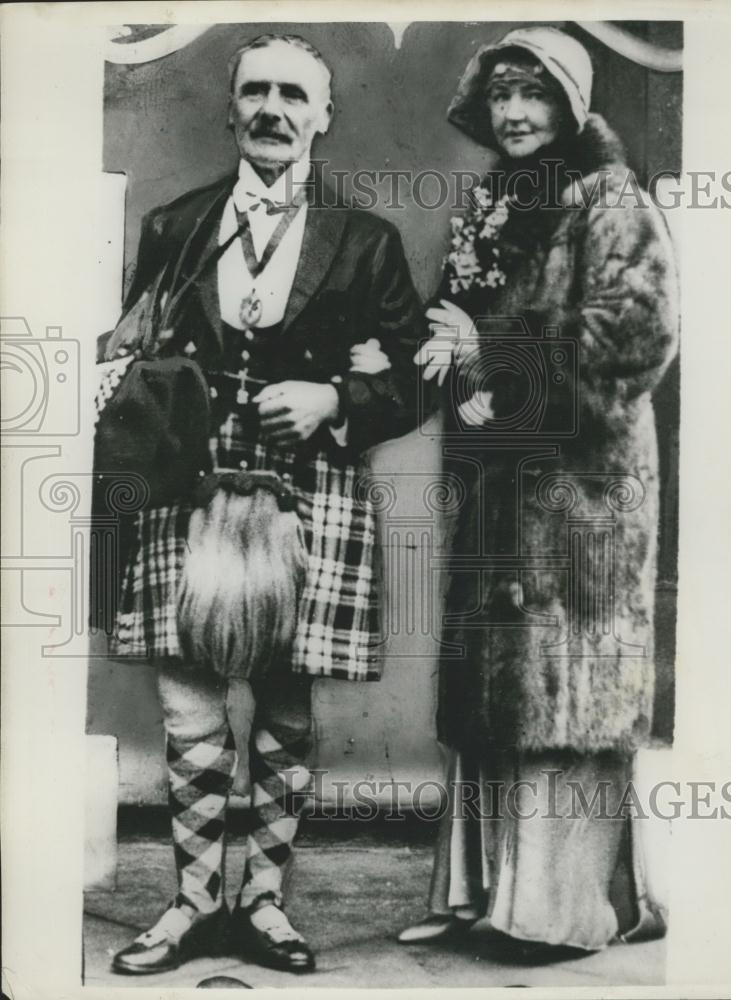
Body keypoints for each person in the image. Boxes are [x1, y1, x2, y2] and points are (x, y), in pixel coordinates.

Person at [101, 33, 423, 975]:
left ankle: (266, 901)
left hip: (308, 483)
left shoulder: (366, 242)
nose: (271, 109)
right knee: (188, 700)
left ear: (325, 115)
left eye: (293, 95)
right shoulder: (176, 225)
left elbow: (413, 379)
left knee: (283, 699)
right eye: (254, 93)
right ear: (229, 108)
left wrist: (338, 400)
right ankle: (195, 898)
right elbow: (137, 353)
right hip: (187, 481)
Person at [402, 26, 679, 951]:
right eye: (501, 96)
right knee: (498, 688)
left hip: (583, 495)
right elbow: (462, 329)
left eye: (535, 94)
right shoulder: (493, 203)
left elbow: (636, 335)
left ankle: (558, 909)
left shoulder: (611, 200)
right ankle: (482, 898)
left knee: (565, 688)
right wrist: (441, 361)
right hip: (499, 478)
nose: (514, 112)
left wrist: (496, 351)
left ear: (571, 106)